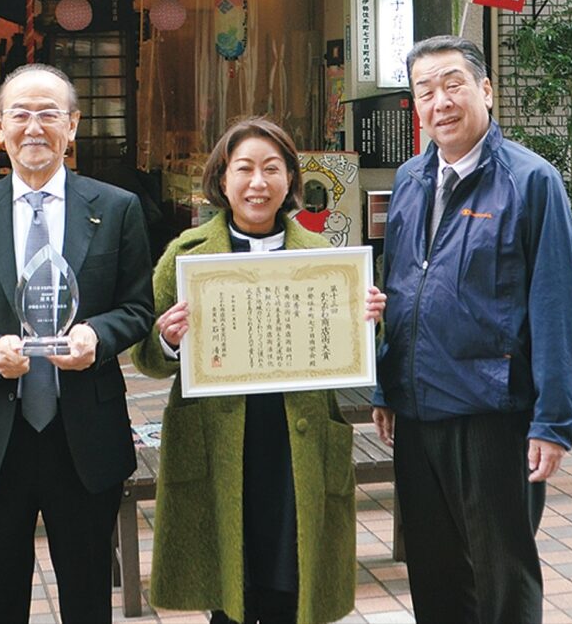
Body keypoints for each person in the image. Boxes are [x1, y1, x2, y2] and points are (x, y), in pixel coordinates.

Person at [0, 63, 154, 624]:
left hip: (84, 436)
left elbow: (137, 308)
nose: (34, 127)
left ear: (72, 126)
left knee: (87, 594)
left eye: (49, 113)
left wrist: (98, 337)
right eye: (20, 114)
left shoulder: (117, 208)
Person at [132, 116, 385, 624]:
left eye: (272, 169)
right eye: (243, 168)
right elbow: (146, 357)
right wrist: (168, 338)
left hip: (297, 441)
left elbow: (353, 358)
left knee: (294, 580)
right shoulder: (184, 257)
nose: (258, 182)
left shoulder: (325, 258)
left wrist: (369, 322)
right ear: (222, 179)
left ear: (291, 179)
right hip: (220, 441)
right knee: (231, 585)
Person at [372, 35, 572, 624]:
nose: (440, 101)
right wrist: (387, 386)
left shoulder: (530, 181)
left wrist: (553, 422)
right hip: (417, 413)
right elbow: (400, 290)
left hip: (495, 414)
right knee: (435, 575)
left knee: (501, 577)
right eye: (425, 91)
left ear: (485, 89)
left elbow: (557, 309)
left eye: (453, 84)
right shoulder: (411, 179)